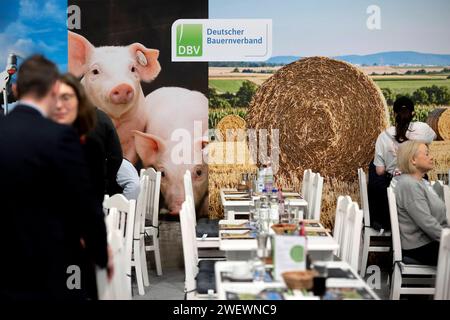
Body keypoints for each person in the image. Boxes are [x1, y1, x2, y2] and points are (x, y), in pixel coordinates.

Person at [0, 55, 111, 300]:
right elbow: (86, 207)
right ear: (52, 90)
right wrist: (100, 257)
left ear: (16, 89)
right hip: (49, 272)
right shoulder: (59, 137)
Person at [50, 73, 123, 203]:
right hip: (95, 191)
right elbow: (116, 156)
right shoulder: (102, 118)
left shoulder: (58, 121)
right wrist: (107, 179)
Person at [368, 97, 436, 230]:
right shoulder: (423, 129)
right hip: (418, 187)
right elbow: (432, 138)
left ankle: (380, 219)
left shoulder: (383, 136)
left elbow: (379, 171)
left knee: (374, 166)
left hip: (394, 186)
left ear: (394, 114)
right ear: (413, 113)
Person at [395, 141, 448, 265]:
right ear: (413, 160)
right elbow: (427, 222)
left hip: (431, 242)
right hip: (421, 247)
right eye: (427, 154)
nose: (432, 157)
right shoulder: (409, 184)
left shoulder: (421, 183)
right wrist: (447, 238)